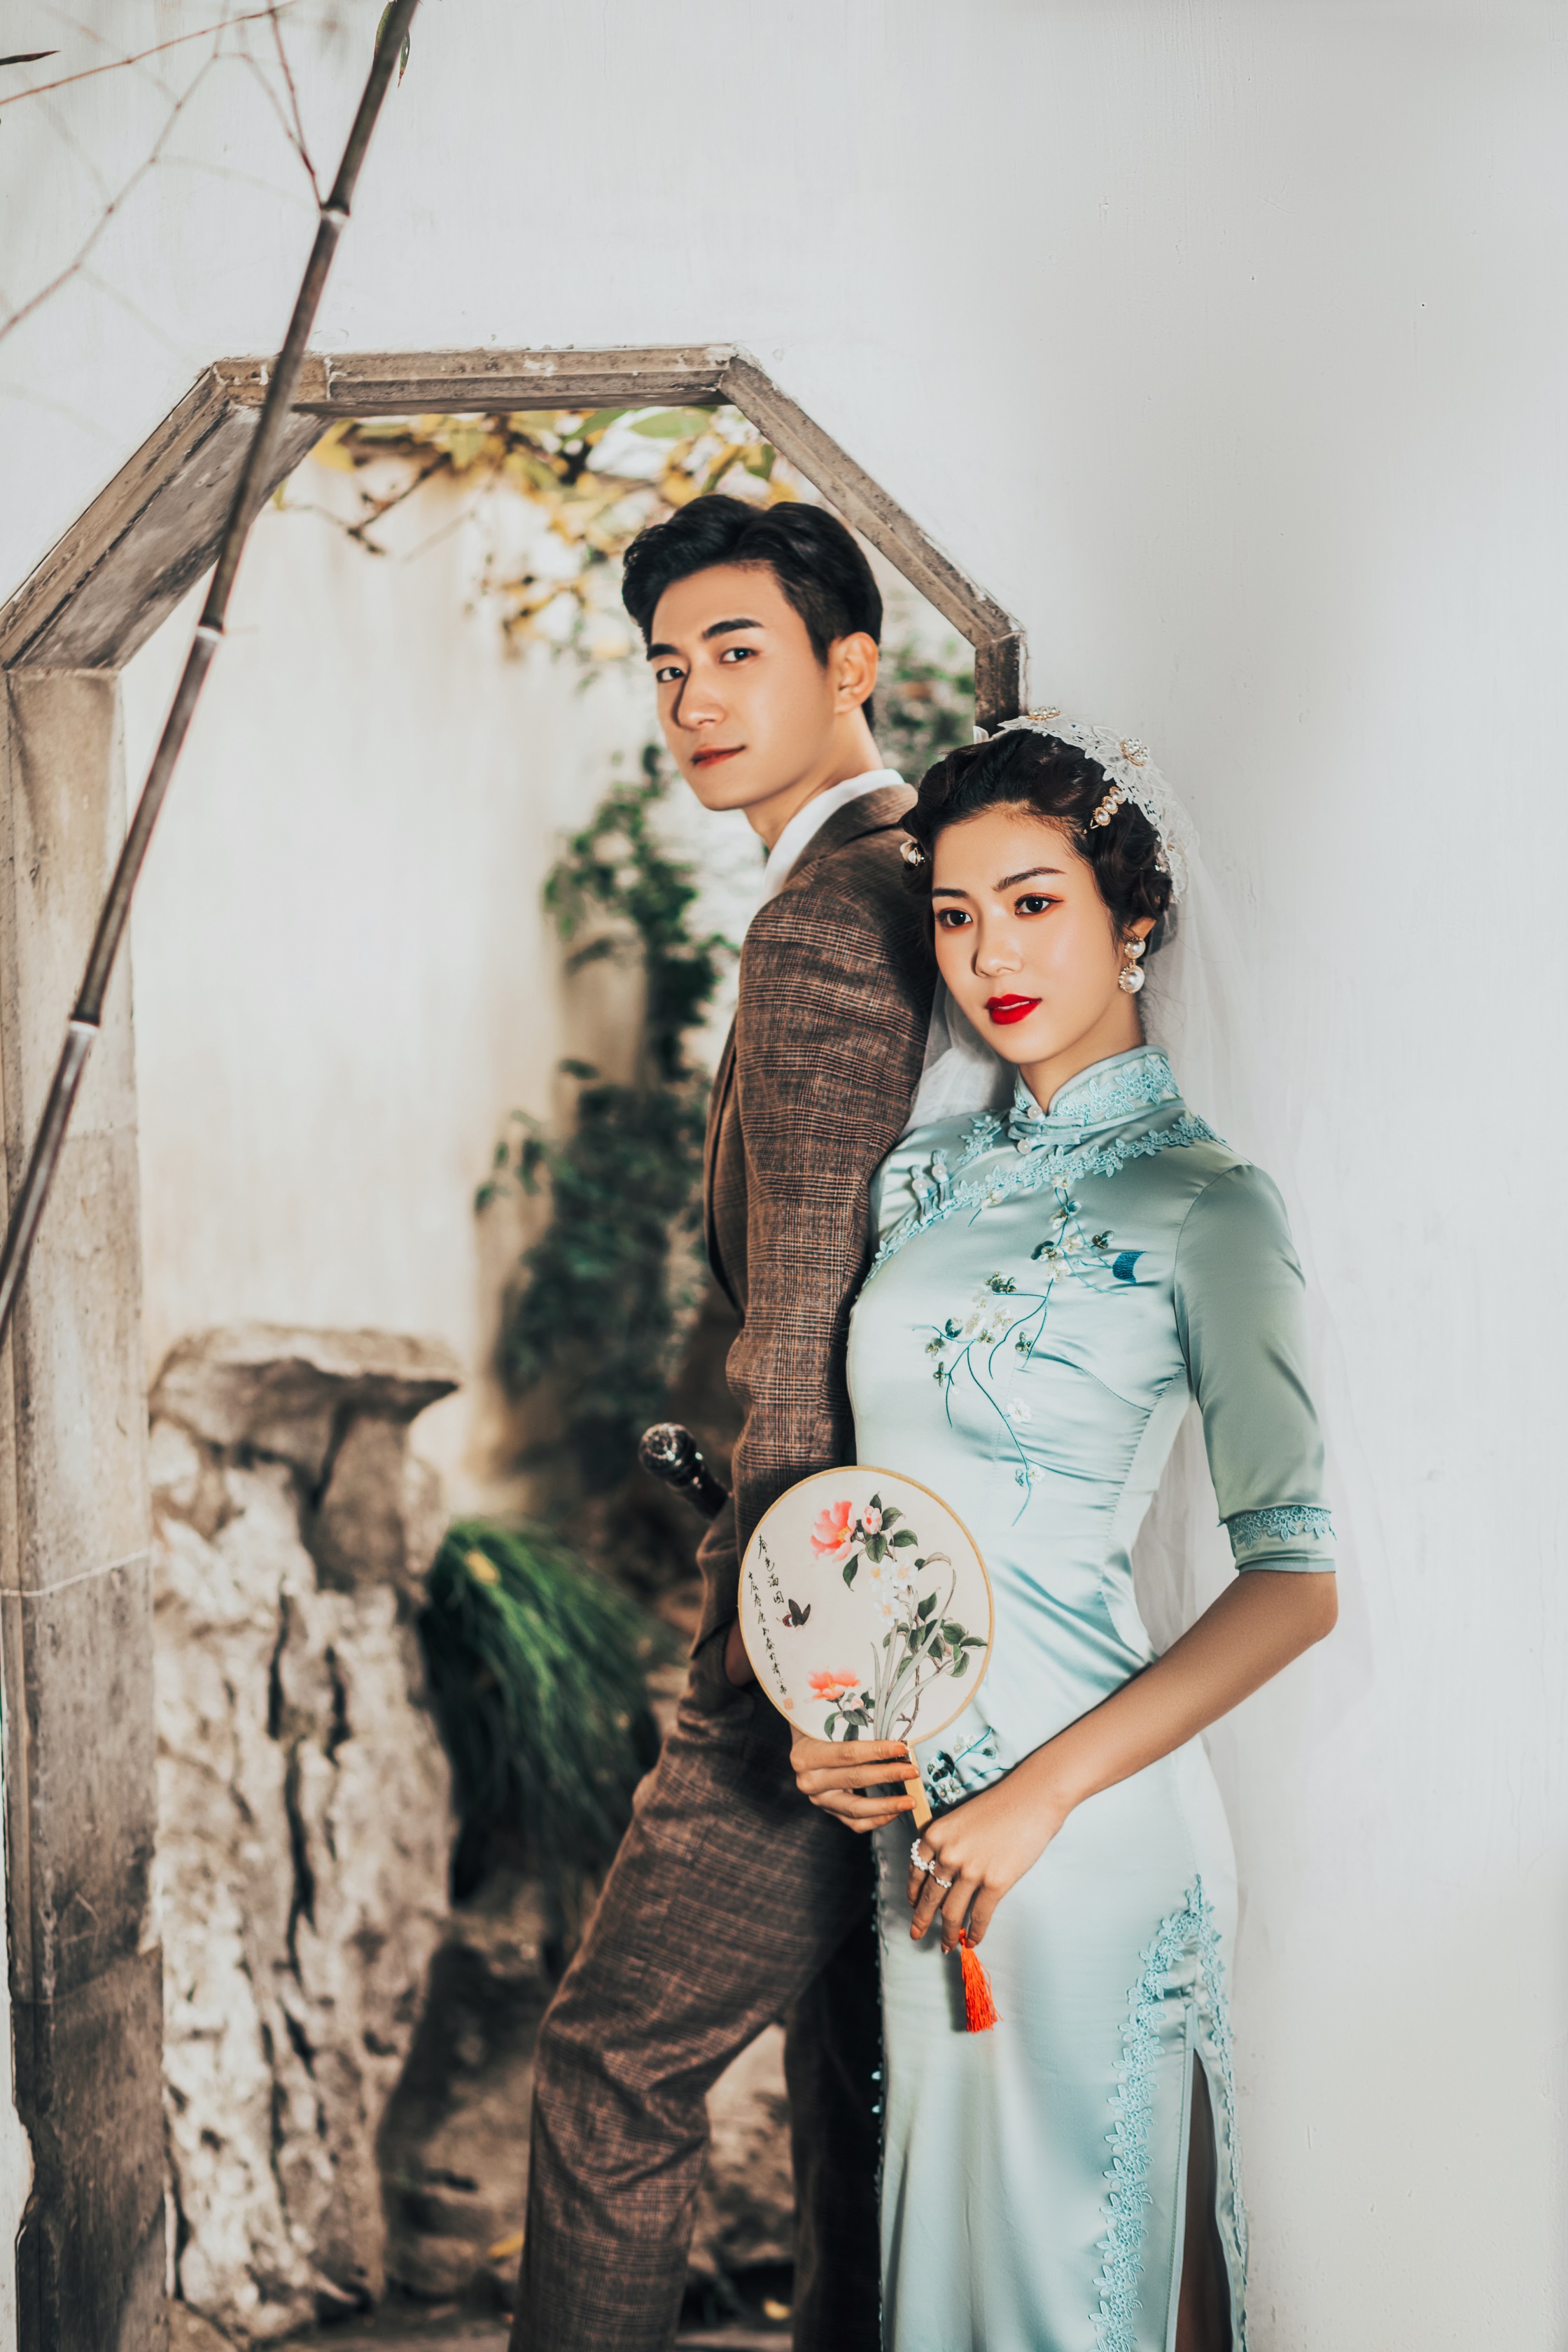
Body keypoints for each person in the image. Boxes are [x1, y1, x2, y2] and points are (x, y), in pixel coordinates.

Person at [790, 720, 1339, 2352]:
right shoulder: (922, 1183)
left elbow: (1295, 1585)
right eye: (957, 916)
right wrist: (837, 1723)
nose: (990, 957)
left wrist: (1033, 1798)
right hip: (922, 1843)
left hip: (1083, 1835)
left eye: (1034, 904)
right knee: (951, 2298)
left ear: (1133, 919)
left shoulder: (1207, 1205)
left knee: (1079, 2300)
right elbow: (888, 1513)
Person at [512, 495, 931, 2352]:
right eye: (668, 665)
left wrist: (777, 1645)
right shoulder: (908, 878)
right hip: (903, 1605)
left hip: (819, 1630)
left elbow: (808, 1316)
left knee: (614, 2068)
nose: (691, 697)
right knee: (856, 2091)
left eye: (736, 652)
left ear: (856, 666)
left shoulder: (830, 919)